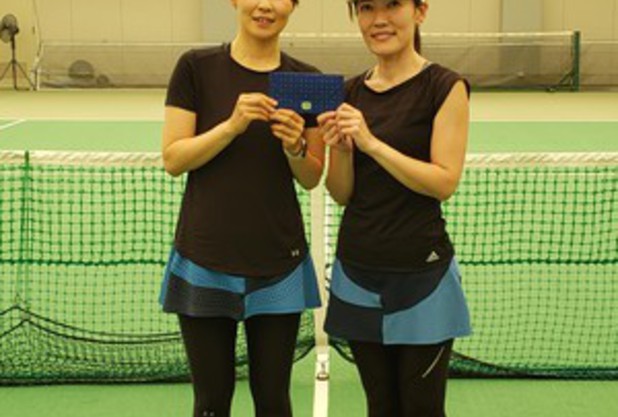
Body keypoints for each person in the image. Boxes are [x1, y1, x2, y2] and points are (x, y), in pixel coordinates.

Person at [158, 1, 325, 416]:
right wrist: (231, 127)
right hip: (203, 263)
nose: (265, 5)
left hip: (280, 266)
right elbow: (174, 159)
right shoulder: (195, 67)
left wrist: (295, 147)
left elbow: (311, 177)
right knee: (211, 402)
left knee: (273, 401)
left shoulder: (308, 80)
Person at [319, 1, 472, 416]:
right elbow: (341, 193)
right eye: (367, 8)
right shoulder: (348, 93)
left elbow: (444, 182)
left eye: (392, 5)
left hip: (423, 278)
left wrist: (371, 144)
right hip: (358, 274)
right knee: (380, 406)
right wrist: (341, 151)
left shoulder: (445, 86)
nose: (379, 20)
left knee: (422, 408)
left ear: (420, 11)